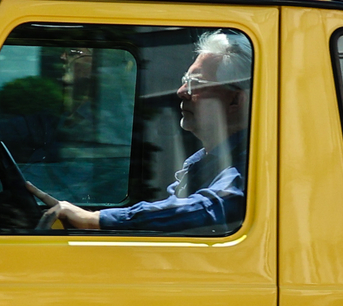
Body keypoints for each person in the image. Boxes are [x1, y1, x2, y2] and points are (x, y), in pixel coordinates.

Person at [48, 34, 249, 234]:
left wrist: (94, 220)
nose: (180, 91)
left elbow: (208, 208)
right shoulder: (202, 163)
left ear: (235, 100)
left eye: (195, 84)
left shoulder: (249, 163)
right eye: (184, 81)